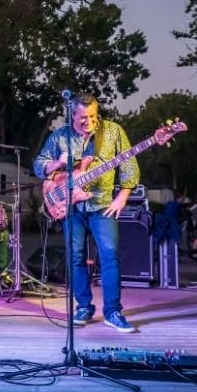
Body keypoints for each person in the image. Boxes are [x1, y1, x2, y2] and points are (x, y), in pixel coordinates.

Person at [33, 93, 139, 333]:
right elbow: (38, 164)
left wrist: (122, 196)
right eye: (82, 117)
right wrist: (57, 164)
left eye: (92, 116)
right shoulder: (60, 136)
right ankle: (83, 307)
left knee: (110, 255)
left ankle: (113, 312)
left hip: (102, 204)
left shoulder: (112, 131)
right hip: (72, 207)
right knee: (75, 256)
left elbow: (129, 164)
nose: (88, 121)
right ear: (73, 115)